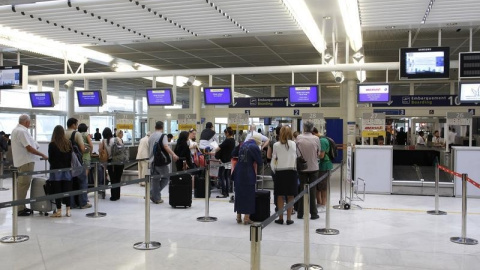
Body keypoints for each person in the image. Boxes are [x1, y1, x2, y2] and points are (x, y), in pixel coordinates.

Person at [11, 114, 48, 216]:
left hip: (21, 161)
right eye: (29, 123)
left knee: (21, 185)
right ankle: (20, 208)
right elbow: (29, 148)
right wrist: (42, 154)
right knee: (23, 185)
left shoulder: (16, 130)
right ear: (26, 122)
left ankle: (20, 206)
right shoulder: (22, 131)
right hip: (25, 162)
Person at [232, 133, 262, 225]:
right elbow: (260, 161)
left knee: (239, 194)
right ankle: (246, 218)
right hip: (248, 173)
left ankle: (238, 217)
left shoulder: (243, 145)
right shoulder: (254, 147)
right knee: (249, 195)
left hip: (238, 172)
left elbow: (233, 154)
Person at [271, 126, 297, 225]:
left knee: (280, 196)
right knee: (291, 196)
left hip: (280, 172)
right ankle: (289, 218)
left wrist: (274, 170)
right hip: (291, 171)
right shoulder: (294, 144)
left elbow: (274, 159)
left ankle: (280, 218)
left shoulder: (276, 145)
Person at [148, 121, 179, 204]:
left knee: (155, 180)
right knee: (166, 178)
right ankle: (153, 194)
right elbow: (165, 146)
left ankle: (156, 197)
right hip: (161, 162)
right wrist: (173, 154)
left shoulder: (151, 136)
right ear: (162, 127)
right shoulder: (163, 136)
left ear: (155, 127)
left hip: (152, 162)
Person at [295, 120, 320, 220]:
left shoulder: (299, 138)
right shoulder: (316, 138)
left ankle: (300, 213)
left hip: (302, 168)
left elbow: (296, 152)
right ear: (312, 128)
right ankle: (313, 213)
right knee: (312, 191)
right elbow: (318, 153)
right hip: (314, 167)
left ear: (304, 128)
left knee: (302, 190)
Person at [65, 118, 91, 209]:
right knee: (82, 181)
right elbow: (82, 149)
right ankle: (83, 202)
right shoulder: (76, 134)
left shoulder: (63, 133)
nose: (77, 126)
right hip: (77, 162)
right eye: (76, 124)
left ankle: (71, 204)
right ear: (73, 125)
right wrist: (88, 149)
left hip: (67, 162)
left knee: (70, 183)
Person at [48, 125, 73, 218]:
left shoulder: (52, 144)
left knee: (57, 190)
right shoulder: (68, 143)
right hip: (67, 170)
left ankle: (59, 210)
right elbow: (70, 157)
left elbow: (51, 159)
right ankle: (68, 210)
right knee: (67, 190)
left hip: (56, 171)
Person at [98, 127, 124, 201]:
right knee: (118, 179)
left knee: (113, 179)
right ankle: (118, 195)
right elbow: (122, 148)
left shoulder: (103, 141)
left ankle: (113, 196)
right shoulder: (117, 139)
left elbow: (100, 151)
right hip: (119, 161)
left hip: (110, 162)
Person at [214, 127, 235, 198]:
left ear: (228, 133)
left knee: (222, 176)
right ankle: (227, 191)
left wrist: (213, 150)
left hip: (224, 161)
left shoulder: (227, 140)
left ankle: (224, 192)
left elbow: (219, 147)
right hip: (229, 160)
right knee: (227, 176)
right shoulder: (233, 140)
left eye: (225, 133)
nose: (225, 134)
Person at [317, 129, 333, 213]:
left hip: (324, 165)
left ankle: (323, 204)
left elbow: (322, 155)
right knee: (319, 186)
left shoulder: (322, 141)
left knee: (323, 186)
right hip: (321, 166)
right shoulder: (322, 139)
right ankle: (319, 203)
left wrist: (313, 156)